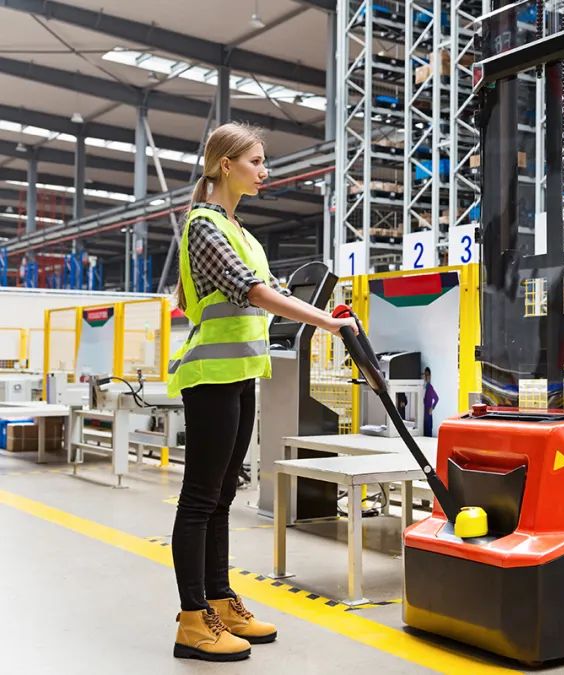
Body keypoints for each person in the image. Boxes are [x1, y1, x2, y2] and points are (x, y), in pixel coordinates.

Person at [168, 122, 358, 662]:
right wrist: (326, 322)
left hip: (242, 374)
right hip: (210, 377)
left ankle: (219, 600)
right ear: (226, 165)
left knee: (224, 495)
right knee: (200, 498)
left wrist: (326, 313)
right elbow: (251, 291)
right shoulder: (203, 225)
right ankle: (191, 620)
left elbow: (271, 291)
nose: (264, 171)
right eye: (255, 161)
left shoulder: (243, 233)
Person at [423, 367, 439, 436]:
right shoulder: (423, 387)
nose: (426, 377)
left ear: (430, 376)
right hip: (423, 412)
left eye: (428, 375)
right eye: (425, 375)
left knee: (428, 432)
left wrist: (432, 408)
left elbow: (437, 398)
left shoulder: (430, 387)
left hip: (428, 412)